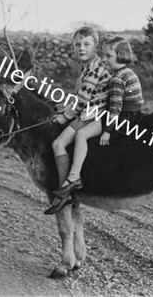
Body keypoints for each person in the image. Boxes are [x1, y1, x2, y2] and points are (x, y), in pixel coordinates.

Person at [47, 36, 144, 214]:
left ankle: (74, 176)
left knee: (82, 135)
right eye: (104, 55)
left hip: (121, 117)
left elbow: (114, 108)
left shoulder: (116, 79)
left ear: (120, 55)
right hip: (130, 113)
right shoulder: (126, 72)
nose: (104, 59)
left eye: (108, 56)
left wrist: (107, 131)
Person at [44, 26, 111, 215]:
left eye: (86, 44)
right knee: (59, 142)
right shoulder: (86, 67)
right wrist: (65, 109)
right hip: (89, 112)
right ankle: (66, 189)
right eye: (77, 45)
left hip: (97, 115)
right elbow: (78, 96)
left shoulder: (94, 68)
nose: (81, 48)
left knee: (58, 143)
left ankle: (71, 179)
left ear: (95, 46)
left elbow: (82, 101)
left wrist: (65, 116)